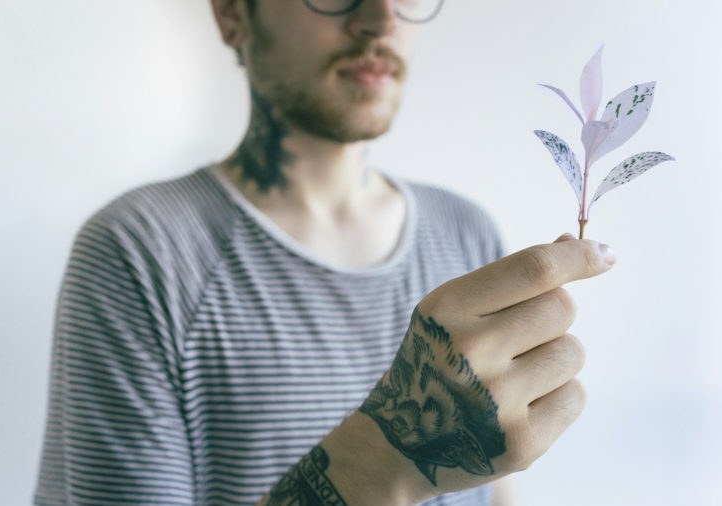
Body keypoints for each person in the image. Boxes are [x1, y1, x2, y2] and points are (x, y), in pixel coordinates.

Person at [33, 0, 616, 504]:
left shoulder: (466, 233)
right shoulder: (139, 255)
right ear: (232, 12)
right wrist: (387, 459)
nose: (380, 18)